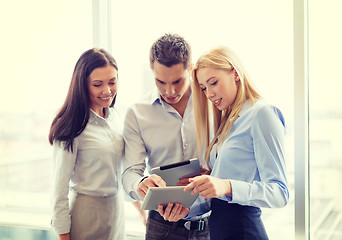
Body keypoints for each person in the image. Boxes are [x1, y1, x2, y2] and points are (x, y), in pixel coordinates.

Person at [181, 46, 290, 239]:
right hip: (220, 230)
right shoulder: (229, 122)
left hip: (243, 230)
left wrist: (226, 186)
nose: (208, 94)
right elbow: (220, 198)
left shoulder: (261, 113)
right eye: (204, 88)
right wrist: (185, 209)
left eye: (213, 83)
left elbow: (279, 193)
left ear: (235, 73)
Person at [122, 33, 210, 240]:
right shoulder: (137, 113)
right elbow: (129, 174)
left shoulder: (212, 102)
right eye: (160, 81)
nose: (169, 91)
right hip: (162, 227)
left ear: (191, 69)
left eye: (178, 81)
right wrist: (140, 183)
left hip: (213, 222)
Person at [48, 48, 144, 240]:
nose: (107, 91)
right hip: (86, 214)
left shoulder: (117, 117)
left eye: (112, 82)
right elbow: (59, 189)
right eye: (97, 84)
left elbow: (120, 171)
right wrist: (64, 237)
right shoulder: (71, 126)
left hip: (116, 212)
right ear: (82, 85)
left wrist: (141, 210)